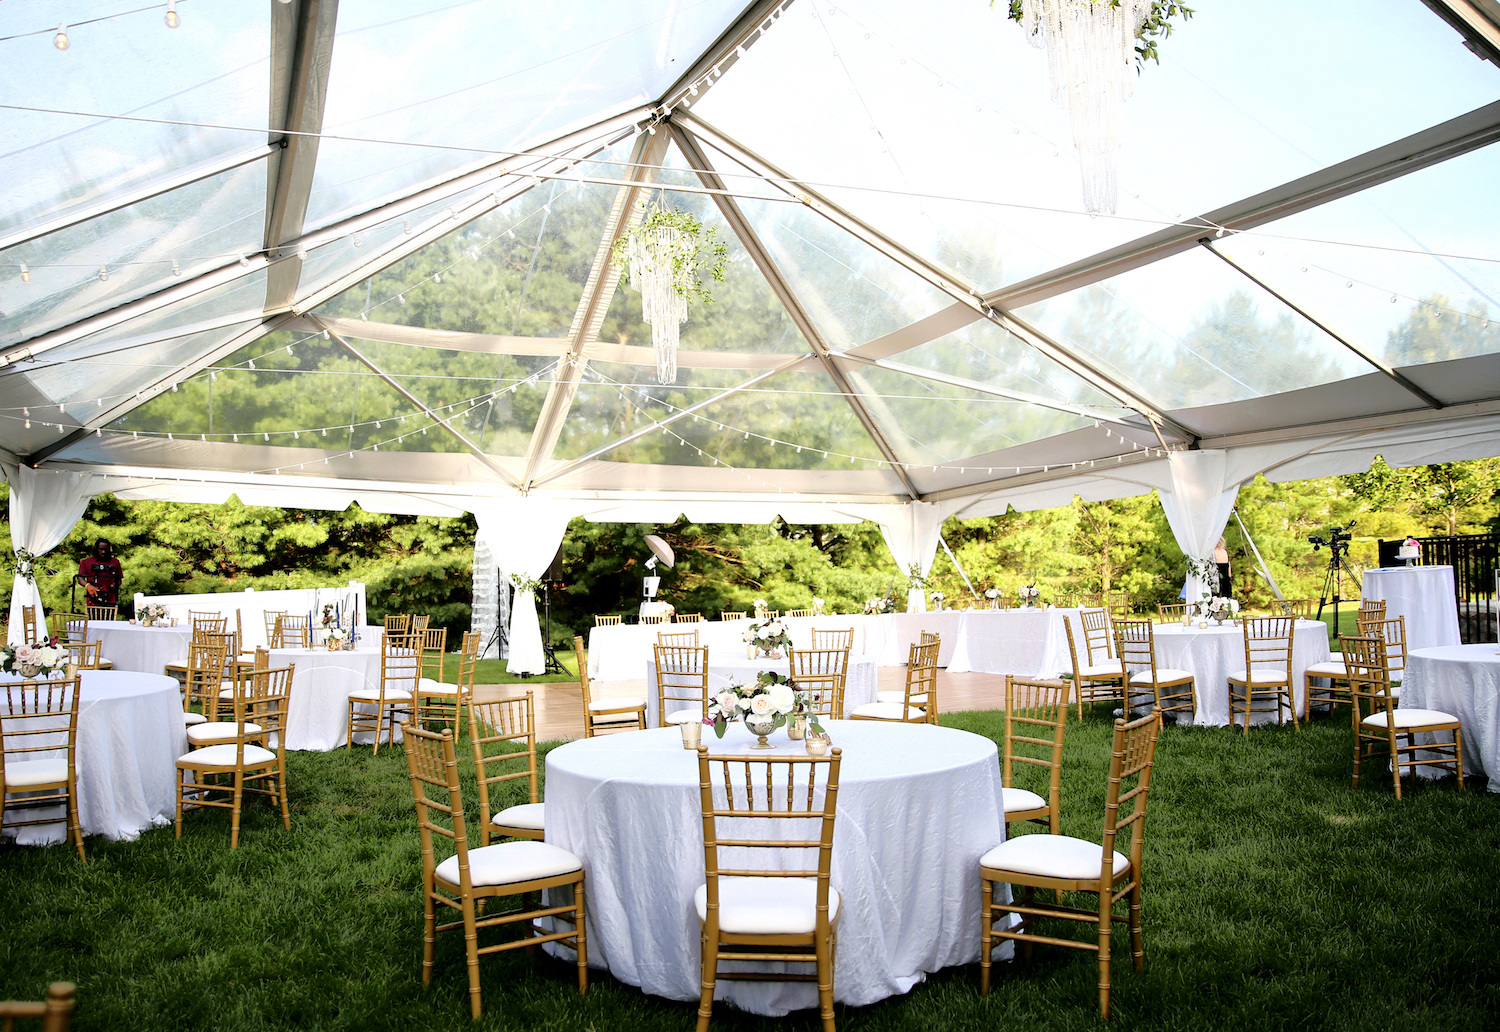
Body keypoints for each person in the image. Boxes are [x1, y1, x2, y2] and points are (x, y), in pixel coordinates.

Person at [75, 538, 123, 607]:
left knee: (110, 617)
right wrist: (88, 586)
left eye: (106, 550)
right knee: (93, 617)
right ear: (96, 548)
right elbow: (80, 578)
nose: (103, 552)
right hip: (93, 600)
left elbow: (119, 579)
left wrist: (115, 585)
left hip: (110, 599)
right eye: (101, 549)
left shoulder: (115, 562)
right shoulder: (86, 562)